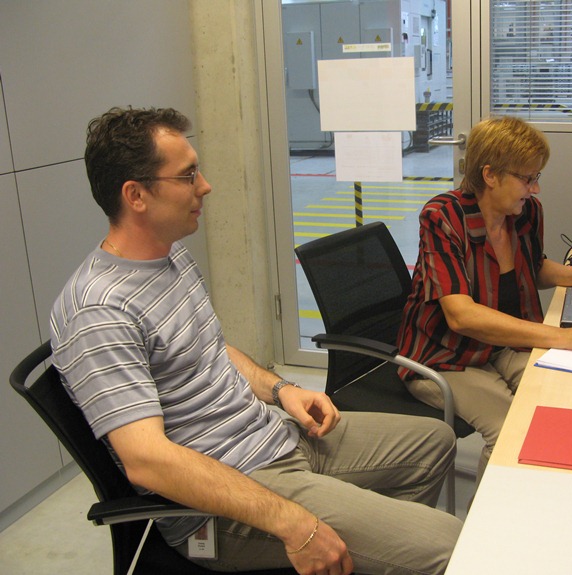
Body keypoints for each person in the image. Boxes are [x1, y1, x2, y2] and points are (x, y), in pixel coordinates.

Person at [50, 107, 462, 575]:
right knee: (447, 544)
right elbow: (147, 461)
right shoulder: (99, 311)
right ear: (136, 195)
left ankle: (371, 554)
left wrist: (281, 390)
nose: (205, 186)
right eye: (187, 175)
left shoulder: (170, 258)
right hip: (224, 501)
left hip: (271, 437)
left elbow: (211, 350)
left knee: (435, 442)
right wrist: (292, 522)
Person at [397, 116, 572, 482]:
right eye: (528, 179)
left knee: (564, 394)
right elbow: (462, 316)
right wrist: (565, 336)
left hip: (500, 346)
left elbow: (533, 267)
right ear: (490, 175)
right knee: (511, 429)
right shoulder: (443, 217)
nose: (535, 188)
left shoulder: (525, 212)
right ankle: (492, 518)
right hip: (446, 356)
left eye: (536, 177)